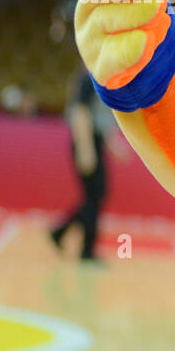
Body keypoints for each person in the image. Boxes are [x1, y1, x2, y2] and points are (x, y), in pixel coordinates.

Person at [50, 70, 111, 262]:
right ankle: (86, 249)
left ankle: (61, 232)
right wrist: (85, 149)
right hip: (87, 142)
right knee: (95, 195)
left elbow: (97, 117)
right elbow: (80, 113)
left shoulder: (100, 78)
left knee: (95, 196)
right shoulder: (88, 79)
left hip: (94, 142)